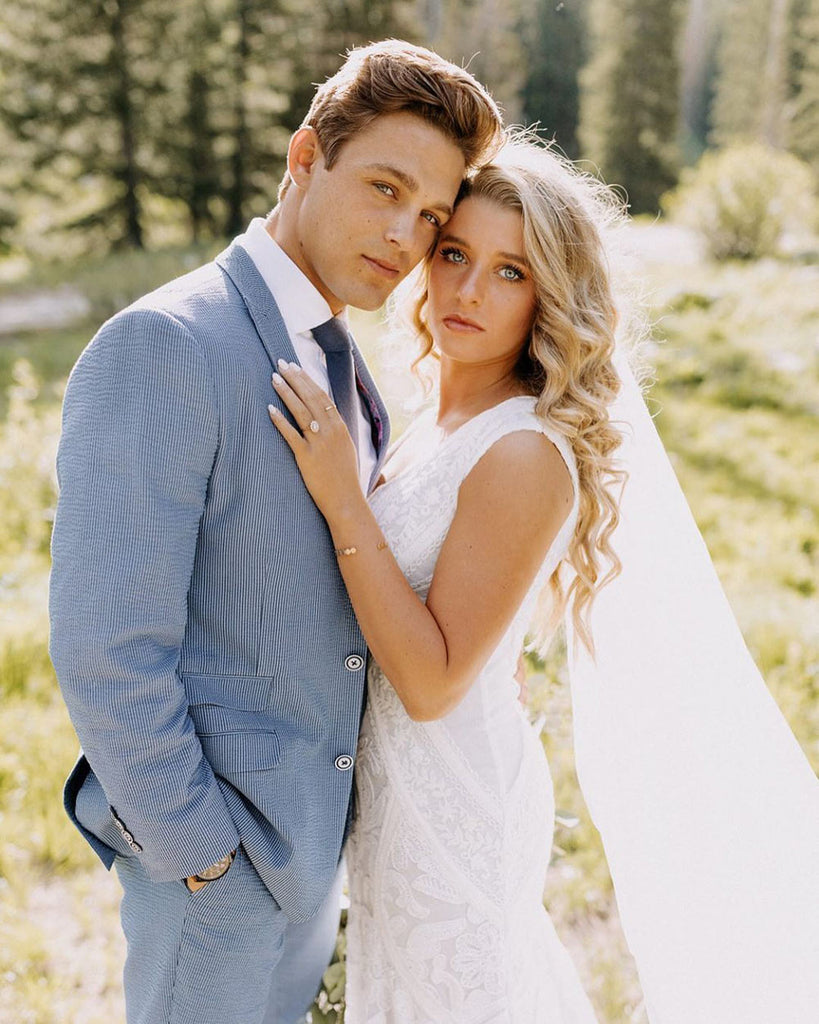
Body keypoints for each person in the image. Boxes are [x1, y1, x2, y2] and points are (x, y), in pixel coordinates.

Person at [269, 136, 819, 1024]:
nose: (469, 290)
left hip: (453, 800)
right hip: (398, 797)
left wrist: (342, 499)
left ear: (549, 298)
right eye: (454, 254)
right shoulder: (440, 417)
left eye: (510, 272)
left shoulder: (522, 449)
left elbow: (434, 681)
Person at [48, 40, 502, 1024]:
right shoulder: (165, 343)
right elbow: (105, 644)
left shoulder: (347, 360)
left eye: (430, 216)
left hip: (312, 865)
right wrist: (203, 856)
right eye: (384, 187)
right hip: (220, 878)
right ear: (305, 158)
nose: (404, 234)